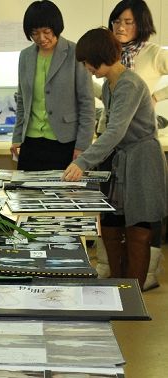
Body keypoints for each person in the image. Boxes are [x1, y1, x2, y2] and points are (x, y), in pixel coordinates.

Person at [62, 28, 167, 289]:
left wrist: (82, 162)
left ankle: (131, 292)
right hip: (123, 158)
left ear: (101, 56)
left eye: (88, 62)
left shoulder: (129, 84)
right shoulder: (111, 84)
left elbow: (115, 131)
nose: (87, 68)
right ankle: (119, 287)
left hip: (142, 160)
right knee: (112, 223)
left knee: (138, 227)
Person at [103, 0, 168, 289]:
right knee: (112, 215)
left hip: (139, 141)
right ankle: (115, 277)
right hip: (114, 142)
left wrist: (156, 97)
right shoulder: (110, 53)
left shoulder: (153, 53)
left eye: (128, 22)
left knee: (142, 215)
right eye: (117, 21)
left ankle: (142, 280)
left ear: (141, 24)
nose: (121, 27)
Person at [10, 0, 95, 171]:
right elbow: (22, 101)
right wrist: (17, 137)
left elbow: (87, 104)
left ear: (56, 27)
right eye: (35, 33)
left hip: (65, 142)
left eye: (46, 32)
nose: (41, 38)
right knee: (25, 188)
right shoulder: (25, 56)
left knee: (63, 188)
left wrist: (82, 145)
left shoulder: (75, 52)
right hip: (31, 142)